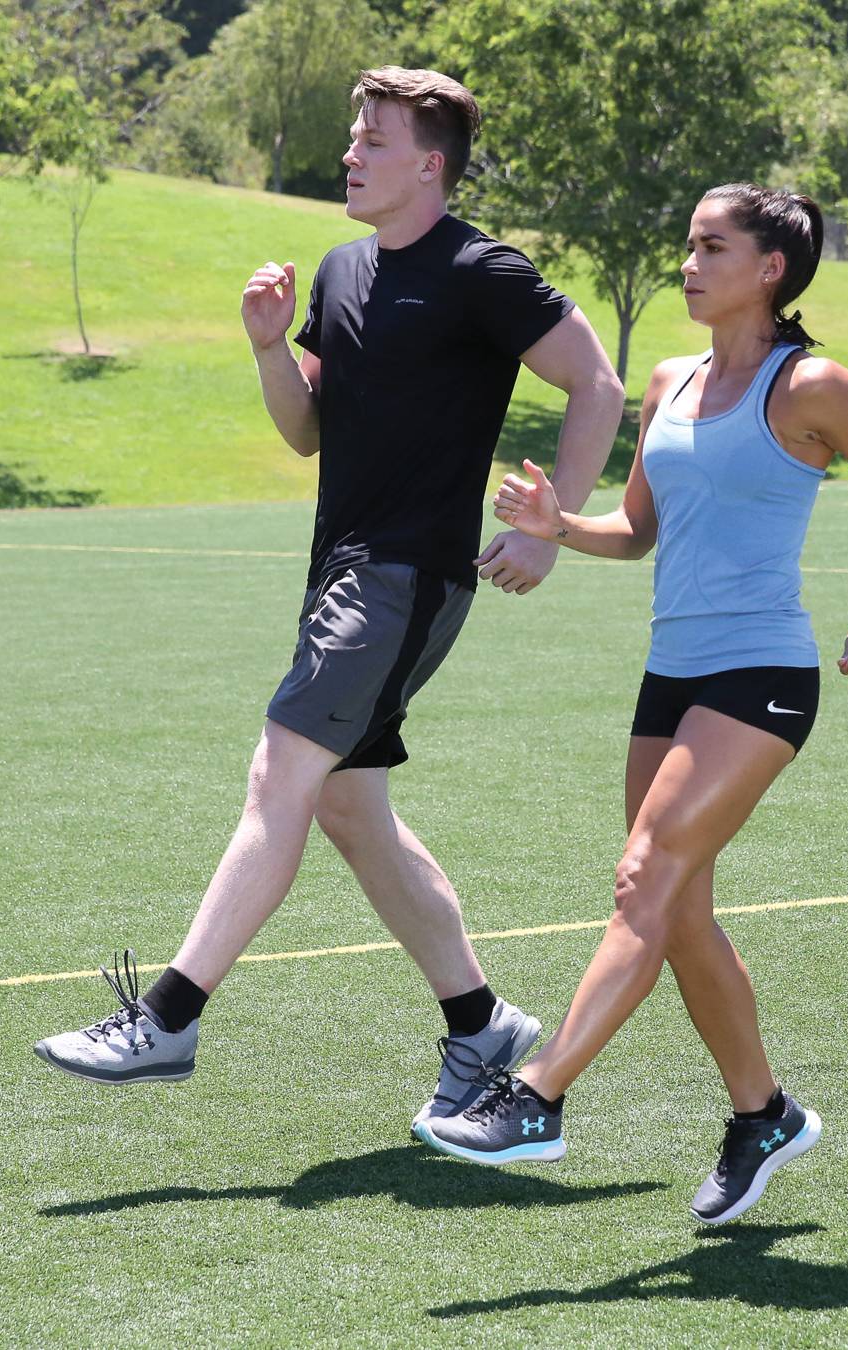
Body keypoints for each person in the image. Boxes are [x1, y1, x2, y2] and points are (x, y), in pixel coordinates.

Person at [33, 68, 627, 1137]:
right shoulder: (345, 271)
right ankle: (481, 1022)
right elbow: (308, 430)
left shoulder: (481, 270)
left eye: (376, 140)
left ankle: (169, 1017)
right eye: (354, 136)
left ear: (431, 164)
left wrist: (556, 524)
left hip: (405, 577)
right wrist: (268, 347)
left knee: (281, 773)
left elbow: (596, 382)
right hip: (342, 575)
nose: (350, 152)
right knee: (350, 808)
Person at [417, 184, 848, 1227]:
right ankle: (765, 1114)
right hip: (673, 676)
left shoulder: (813, 386)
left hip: (764, 678)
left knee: (644, 878)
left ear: (770, 268)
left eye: (712, 247)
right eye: (686, 243)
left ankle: (537, 1096)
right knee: (680, 912)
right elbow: (637, 533)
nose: (688, 264)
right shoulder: (671, 380)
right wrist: (560, 523)